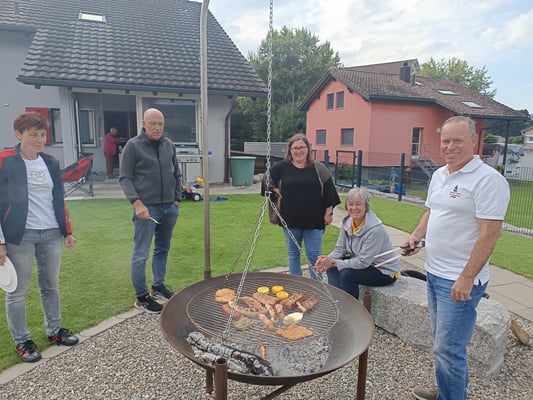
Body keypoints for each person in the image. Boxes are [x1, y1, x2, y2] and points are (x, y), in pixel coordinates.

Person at [405, 116, 510, 400]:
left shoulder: (488, 180)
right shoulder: (440, 174)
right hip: (434, 272)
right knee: (443, 344)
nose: (450, 146)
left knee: (449, 348)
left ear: (473, 141)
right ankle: (447, 392)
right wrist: (415, 236)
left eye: (457, 141)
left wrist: (466, 277)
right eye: (445, 141)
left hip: (459, 280)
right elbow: (432, 212)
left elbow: (490, 233)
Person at [0, 112, 79, 363]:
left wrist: (66, 231)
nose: (39, 139)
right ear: (19, 134)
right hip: (19, 235)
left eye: (42, 134)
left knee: (50, 286)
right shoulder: (4, 161)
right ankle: (22, 341)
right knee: (17, 291)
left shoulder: (50, 162)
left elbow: (58, 199)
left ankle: (54, 330)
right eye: (33, 134)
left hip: (51, 233)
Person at [119, 108, 182, 314]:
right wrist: (137, 203)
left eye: (160, 124)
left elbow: (177, 173)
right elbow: (125, 178)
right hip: (146, 208)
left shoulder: (169, 145)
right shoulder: (133, 146)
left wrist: (177, 199)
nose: (156, 128)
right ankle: (142, 297)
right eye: (152, 123)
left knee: (162, 248)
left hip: (169, 207)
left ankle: (158, 285)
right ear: (144, 124)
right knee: (141, 254)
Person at [266, 133, 340, 280]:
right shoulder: (281, 168)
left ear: (308, 149)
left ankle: (317, 284)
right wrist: (274, 189)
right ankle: (296, 284)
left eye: (302, 147)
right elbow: (266, 180)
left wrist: (329, 213)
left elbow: (329, 192)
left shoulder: (318, 168)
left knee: (314, 255)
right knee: (293, 253)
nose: (298, 151)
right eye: (295, 148)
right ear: (290, 150)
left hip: (314, 220)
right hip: (290, 219)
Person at [315, 187, 400, 298]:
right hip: (365, 263)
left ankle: (351, 307)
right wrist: (326, 261)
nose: (354, 208)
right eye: (350, 204)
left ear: (366, 206)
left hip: (384, 271)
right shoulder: (347, 223)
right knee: (332, 269)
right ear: (346, 207)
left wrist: (333, 262)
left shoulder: (375, 231)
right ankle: (337, 301)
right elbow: (340, 249)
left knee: (347, 274)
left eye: (358, 204)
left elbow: (363, 262)